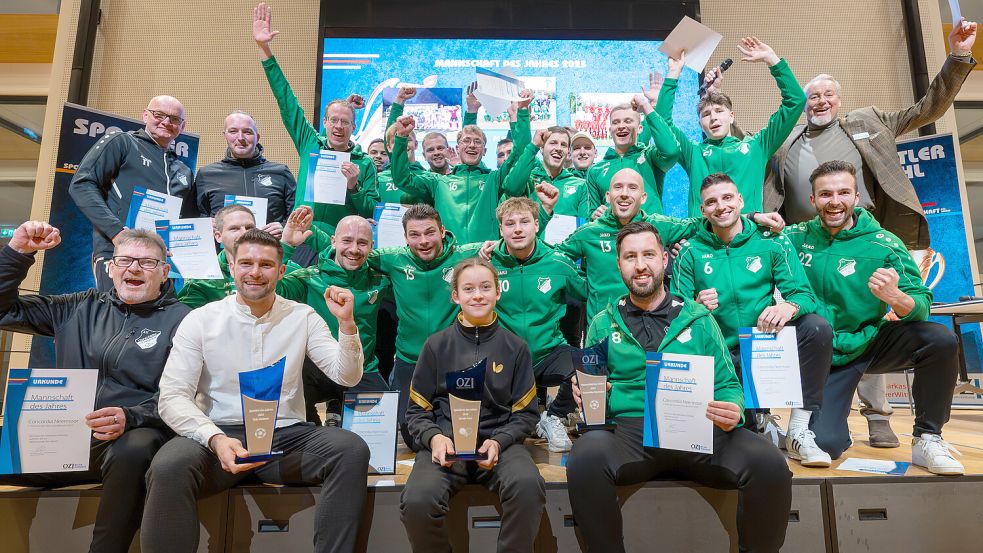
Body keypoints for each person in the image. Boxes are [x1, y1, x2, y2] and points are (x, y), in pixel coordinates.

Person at [762, 19, 978, 447]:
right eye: (812, 96)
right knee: (825, 324)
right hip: (807, 248)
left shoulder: (869, 122)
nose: (820, 101)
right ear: (803, 104)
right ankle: (813, 418)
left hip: (862, 242)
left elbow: (927, 109)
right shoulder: (785, 145)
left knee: (874, 310)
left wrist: (956, 58)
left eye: (827, 94)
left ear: (839, 100)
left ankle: (880, 416)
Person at [565, 221, 792, 553]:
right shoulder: (602, 321)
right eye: (630, 257)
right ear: (619, 264)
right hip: (632, 432)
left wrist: (733, 408)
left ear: (664, 260)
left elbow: (728, 383)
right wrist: (586, 392)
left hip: (698, 428)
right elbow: (594, 392)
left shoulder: (698, 318)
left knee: (770, 465)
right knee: (583, 458)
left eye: (648, 255)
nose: (640, 265)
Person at [142, 228, 370, 552]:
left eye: (265, 265)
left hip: (285, 436)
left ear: (281, 271)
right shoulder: (201, 320)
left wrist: (347, 325)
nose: (255, 272)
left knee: (351, 449)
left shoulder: (303, 316)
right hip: (219, 436)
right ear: (232, 266)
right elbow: (172, 396)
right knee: (168, 467)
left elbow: (346, 376)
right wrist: (215, 438)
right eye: (246, 263)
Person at [0, 223, 190, 553]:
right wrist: (18, 252)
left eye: (147, 263)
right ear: (111, 268)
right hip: (60, 437)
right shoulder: (77, 307)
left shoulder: (186, 321)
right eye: (126, 260)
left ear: (164, 272)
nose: (134, 268)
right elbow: (5, 310)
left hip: (126, 441)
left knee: (136, 447)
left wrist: (131, 416)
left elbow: (191, 395)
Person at [784, 161, 962, 475]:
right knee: (825, 443)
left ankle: (927, 438)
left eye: (843, 192)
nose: (834, 201)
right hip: (820, 353)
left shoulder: (884, 244)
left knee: (939, 339)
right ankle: (831, 428)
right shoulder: (793, 238)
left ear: (857, 198)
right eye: (825, 194)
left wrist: (897, 298)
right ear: (813, 201)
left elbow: (921, 305)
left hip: (869, 342)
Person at [672, 173, 834, 467]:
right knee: (739, 442)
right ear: (702, 210)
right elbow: (673, 312)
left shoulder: (771, 241)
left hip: (761, 349)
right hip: (719, 357)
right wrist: (695, 306)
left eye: (727, 198)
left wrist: (789, 307)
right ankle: (759, 418)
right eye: (711, 202)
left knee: (816, 327)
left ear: (740, 201)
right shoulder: (689, 251)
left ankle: (798, 429)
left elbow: (804, 294)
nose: (721, 206)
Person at [400, 258, 544, 553]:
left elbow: (527, 415)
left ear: (497, 292)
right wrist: (435, 438)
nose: (477, 295)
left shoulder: (516, 348)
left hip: (499, 446)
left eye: (485, 287)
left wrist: (500, 442)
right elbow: (416, 413)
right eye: (468, 289)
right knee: (417, 500)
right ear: (455, 296)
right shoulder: (435, 345)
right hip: (446, 447)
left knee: (529, 486)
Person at [253, 2, 379, 234]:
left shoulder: (364, 163)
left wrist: (354, 187)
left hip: (340, 244)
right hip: (303, 237)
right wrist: (264, 48)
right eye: (334, 120)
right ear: (325, 122)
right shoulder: (310, 144)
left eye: (345, 122)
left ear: (354, 126)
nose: (338, 126)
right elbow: (286, 100)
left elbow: (370, 211)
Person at [367, 204, 482, 444]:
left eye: (430, 232)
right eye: (414, 235)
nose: (423, 241)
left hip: (455, 358)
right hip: (410, 361)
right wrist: (305, 238)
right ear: (405, 237)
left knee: (462, 434)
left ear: (442, 231)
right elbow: (348, 250)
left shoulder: (467, 255)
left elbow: (512, 245)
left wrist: (542, 214)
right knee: (413, 439)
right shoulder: (393, 259)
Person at [655, 37, 806, 217]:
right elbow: (661, 121)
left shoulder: (756, 146)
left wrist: (772, 60)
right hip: (704, 241)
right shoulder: (692, 153)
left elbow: (796, 102)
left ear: (731, 116)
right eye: (706, 114)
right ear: (700, 124)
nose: (713, 118)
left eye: (719, 111)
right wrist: (673, 72)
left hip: (747, 240)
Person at [488, 197, 587, 452]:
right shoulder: (488, 262)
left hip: (548, 351)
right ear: (501, 229)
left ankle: (553, 416)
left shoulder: (558, 262)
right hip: (506, 357)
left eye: (524, 222)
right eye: (510, 224)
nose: (517, 229)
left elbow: (590, 291)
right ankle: (523, 419)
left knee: (588, 367)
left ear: (537, 225)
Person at [69, 95, 195, 291]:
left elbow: (186, 218)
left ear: (182, 126)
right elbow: (81, 184)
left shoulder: (183, 170)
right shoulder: (122, 142)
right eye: (159, 114)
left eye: (174, 119)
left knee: (159, 320)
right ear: (145, 115)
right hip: (118, 254)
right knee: (116, 316)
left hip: (161, 263)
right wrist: (117, 233)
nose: (166, 122)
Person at [278, 211, 393, 424]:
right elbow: (272, 287)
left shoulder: (381, 280)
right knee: (300, 427)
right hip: (317, 372)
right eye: (347, 241)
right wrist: (286, 245)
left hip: (363, 369)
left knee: (384, 432)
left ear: (372, 245)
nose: (354, 249)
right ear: (333, 241)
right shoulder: (309, 278)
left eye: (362, 243)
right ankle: (329, 409)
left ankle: (338, 406)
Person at [389, 86, 533, 243]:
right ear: (457, 149)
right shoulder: (438, 182)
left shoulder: (495, 179)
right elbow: (402, 179)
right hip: (449, 260)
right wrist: (401, 138)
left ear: (484, 151)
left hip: (486, 257)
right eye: (466, 141)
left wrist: (523, 112)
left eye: (477, 142)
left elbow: (521, 153)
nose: (472, 145)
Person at [193, 110, 296, 230]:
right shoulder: (206, 174)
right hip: (223, 248)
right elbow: (192, 216)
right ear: (225, 135)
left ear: (257, 137)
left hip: (269, 246)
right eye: (233, 131)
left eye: (247, 132)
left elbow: (295, 215)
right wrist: (203, 224)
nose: (240, 137)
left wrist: (283, 227)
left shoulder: (281, 172)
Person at [583, 93, 680, 215]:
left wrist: (646, 106)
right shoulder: (595, 170)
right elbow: (591, 215)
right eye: (616, 122)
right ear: (610, 130)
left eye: (628, 121)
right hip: (614, 233)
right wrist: (594, 216)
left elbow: (671, 151)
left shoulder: (650, 156)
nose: (621, 126)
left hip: (648, 232)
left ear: (640, 128)